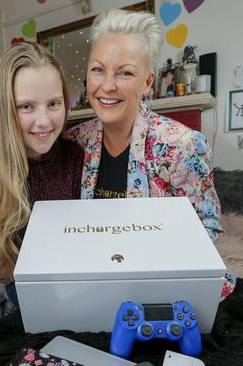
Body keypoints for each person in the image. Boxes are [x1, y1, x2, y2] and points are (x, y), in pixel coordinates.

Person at [0, 42, 83, 349]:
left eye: (54, 103)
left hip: (53, 285)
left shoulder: (74, 157)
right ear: (4, 108)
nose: (44, 122)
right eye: (26, 106)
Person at [66, 9, 223, 242]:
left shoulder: (182, 146)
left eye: (125, 73)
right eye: (98, 70)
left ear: (148, 82)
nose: (108, 86)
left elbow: (207, 229)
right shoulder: (74, 141)